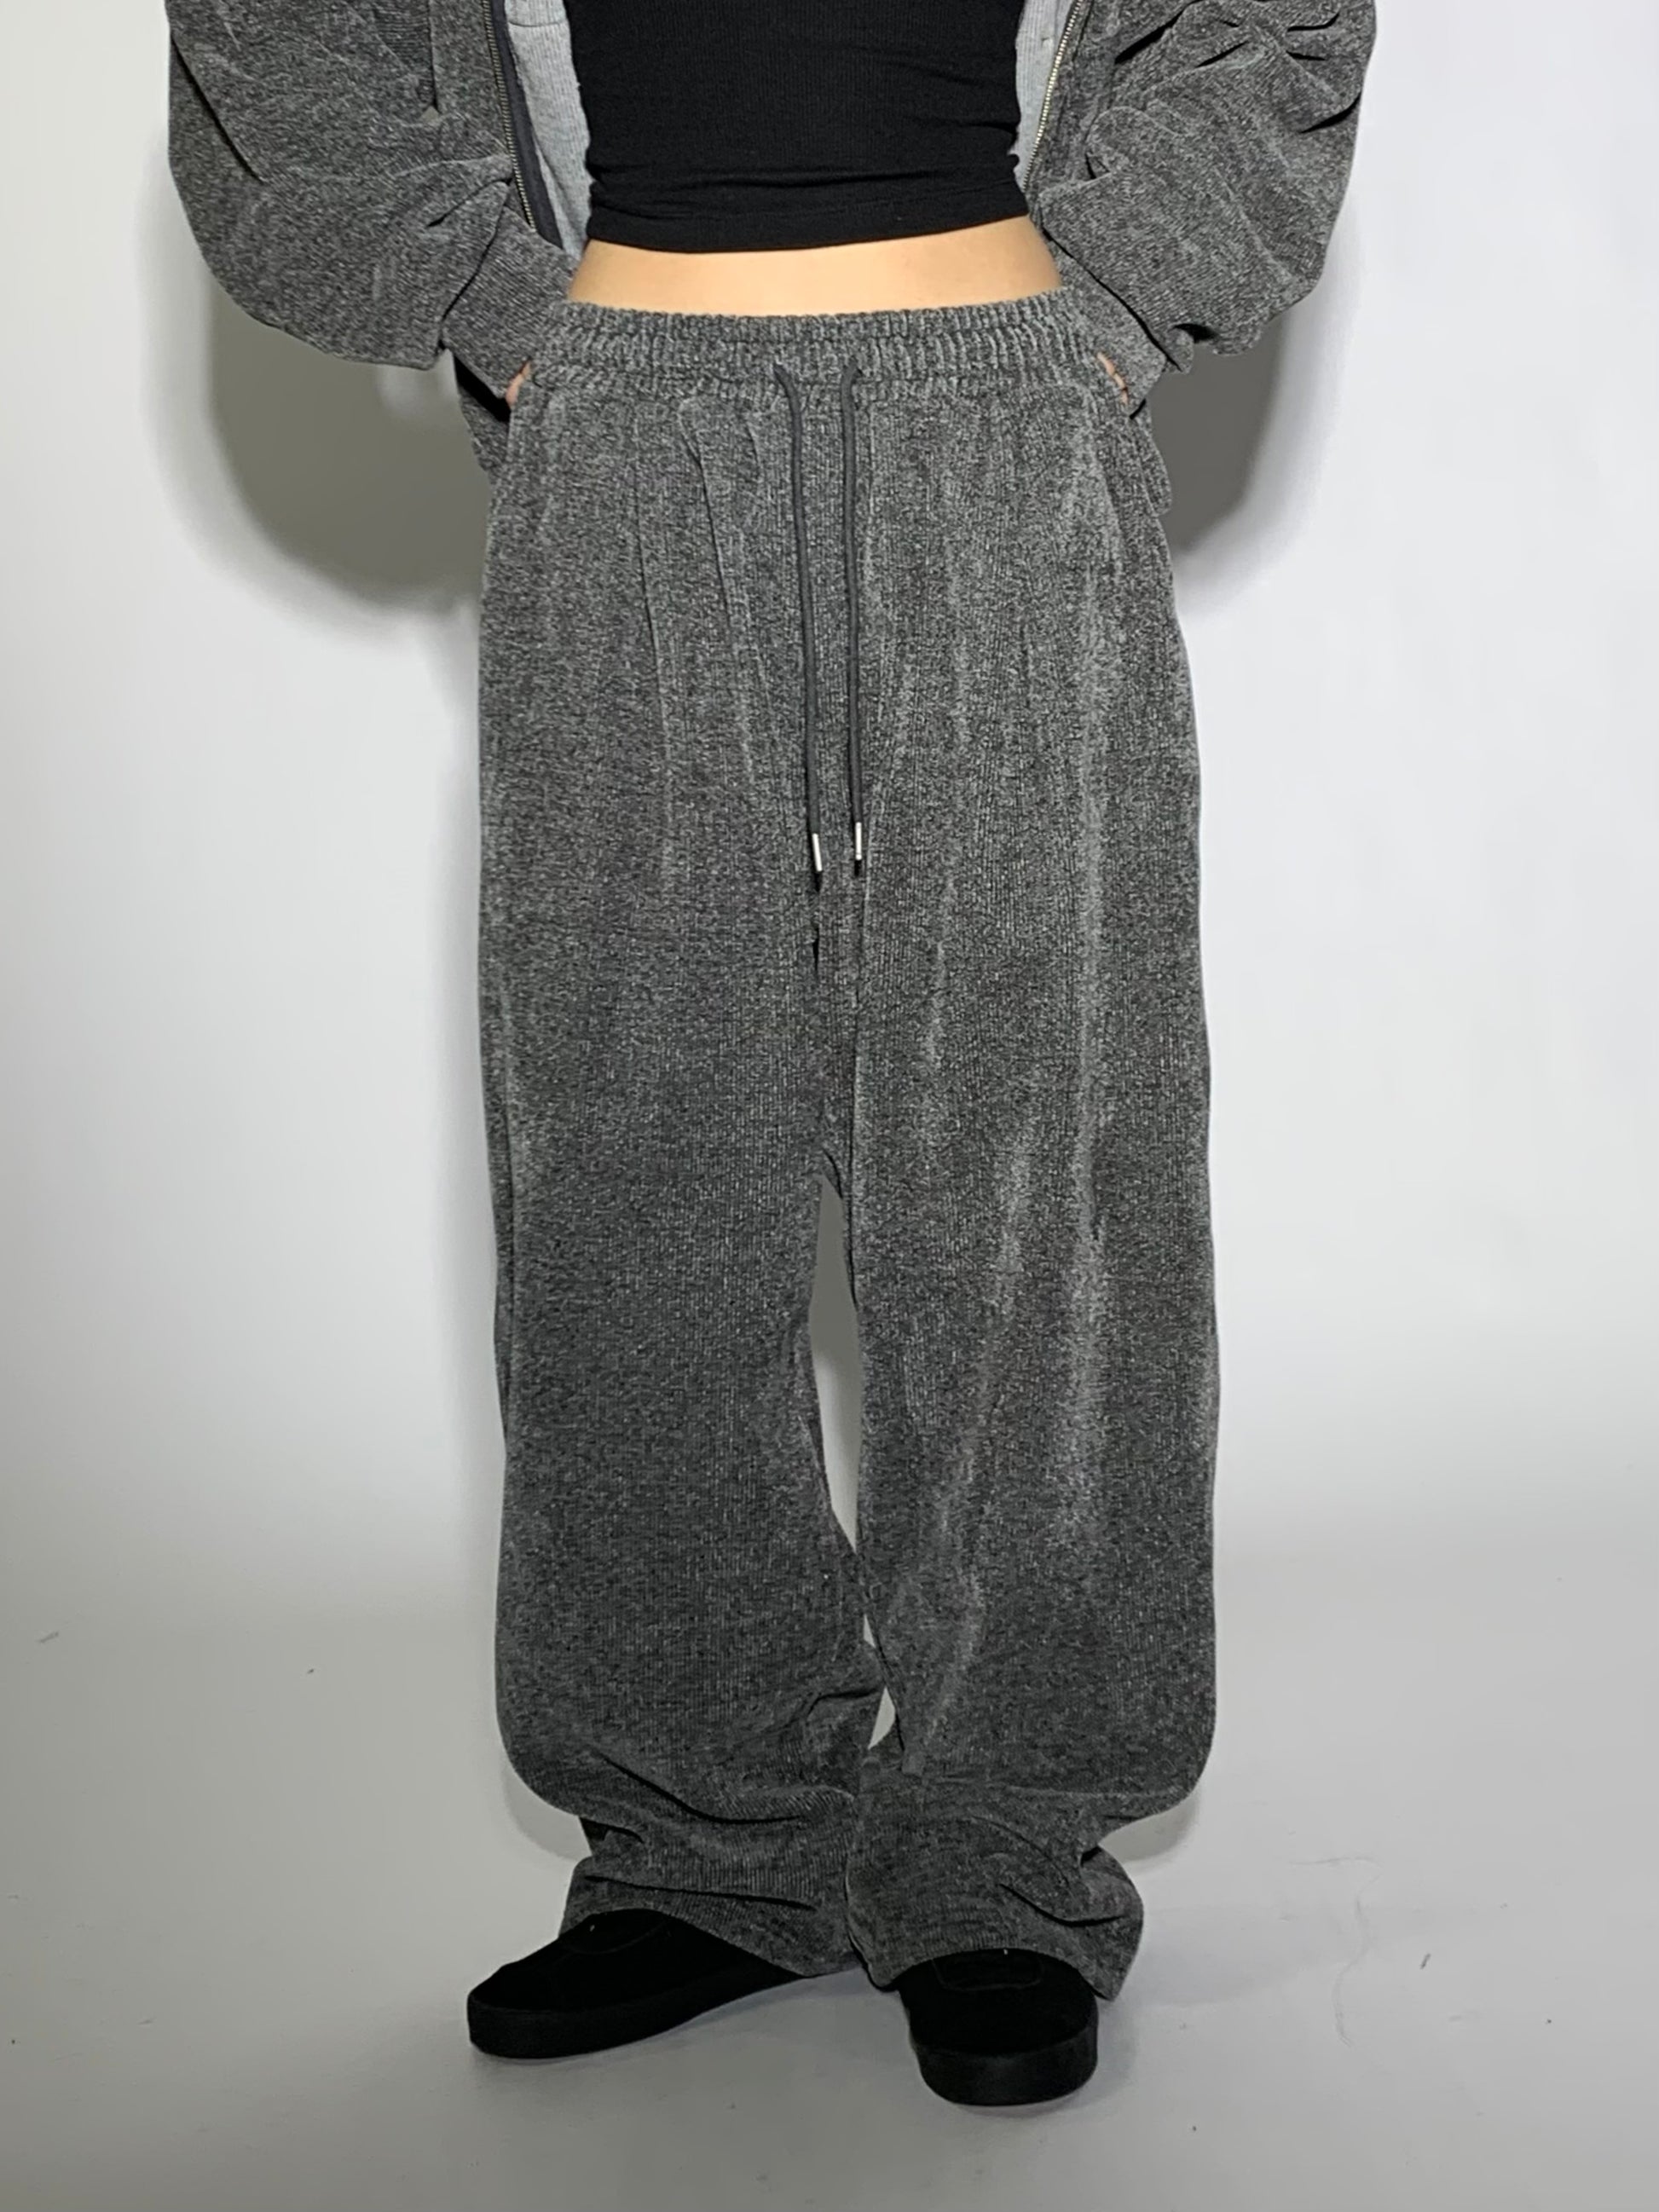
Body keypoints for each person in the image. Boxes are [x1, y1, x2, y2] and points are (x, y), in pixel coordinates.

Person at [165, 0, 1375, 2108]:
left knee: (1036, 1139)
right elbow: (278, 36)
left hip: (1002, 398)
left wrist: (1102, 310)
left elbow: (1265, 23)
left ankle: (1002, 1844)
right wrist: (498, 308)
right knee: (632, 1147)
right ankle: (704, 1836)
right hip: (628, 410)